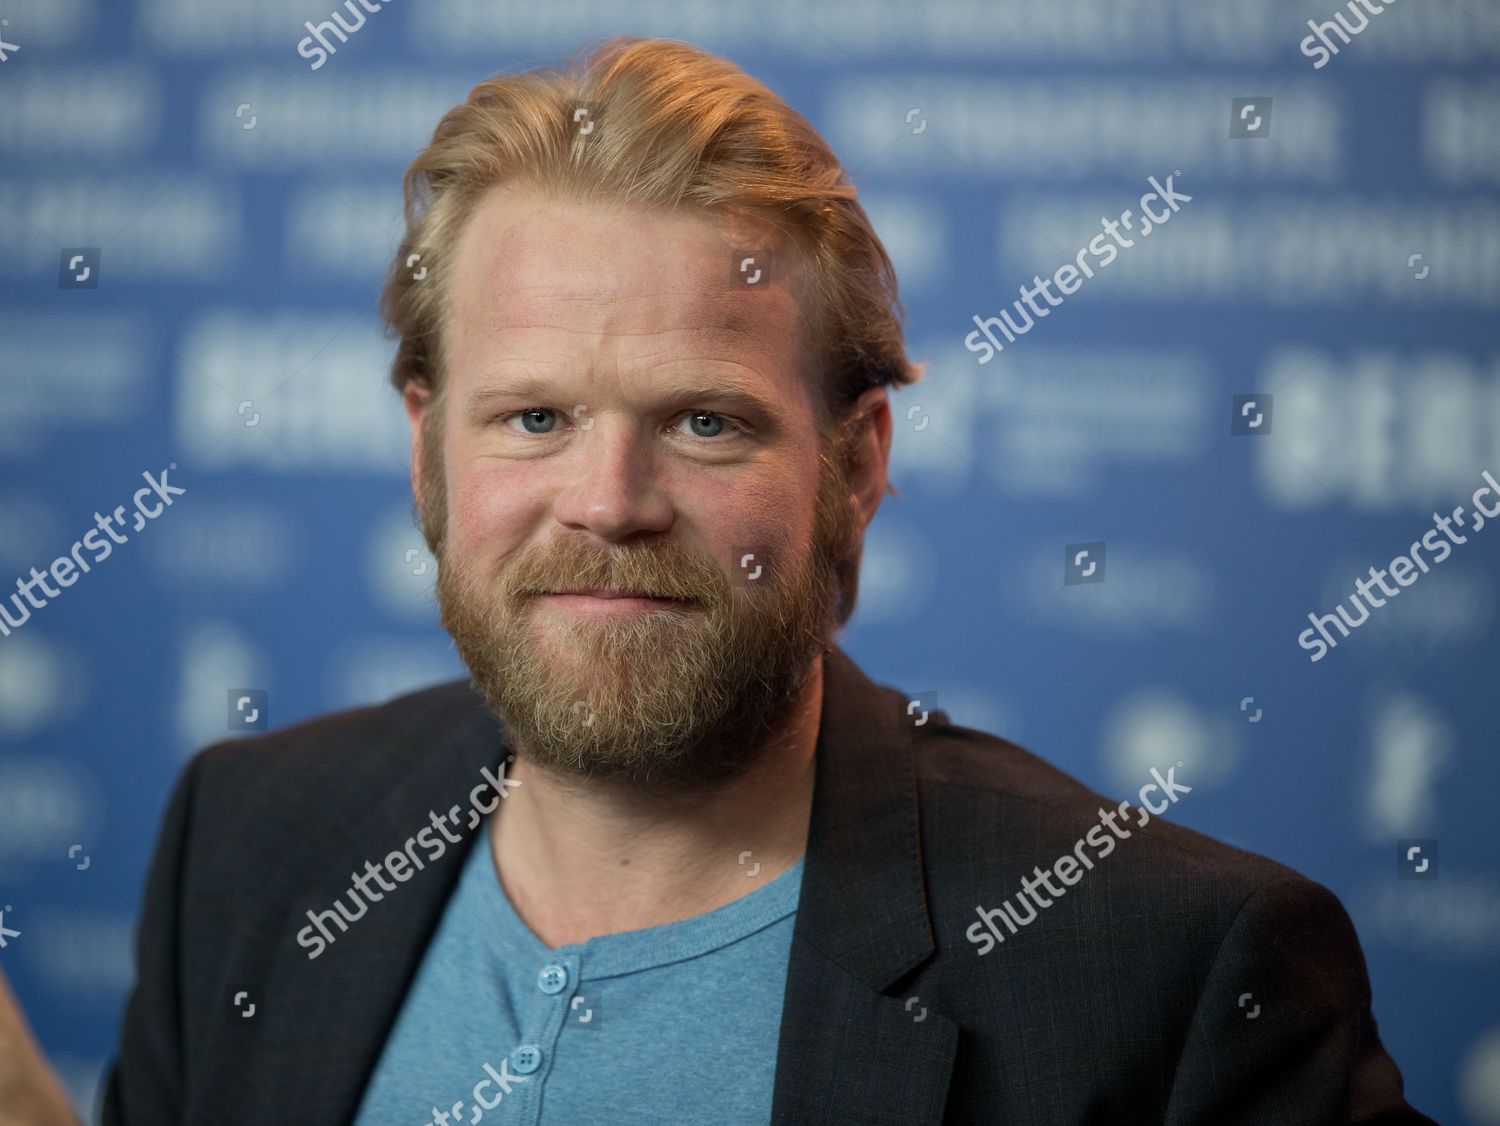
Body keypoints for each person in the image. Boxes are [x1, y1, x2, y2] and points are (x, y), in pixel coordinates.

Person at [103, 35, 1434, 1124]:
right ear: (426, 450)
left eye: (706, 422)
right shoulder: (252, 840)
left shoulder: (1174, 975)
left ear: (855, 464)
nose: (610, 504)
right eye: (533, 419)